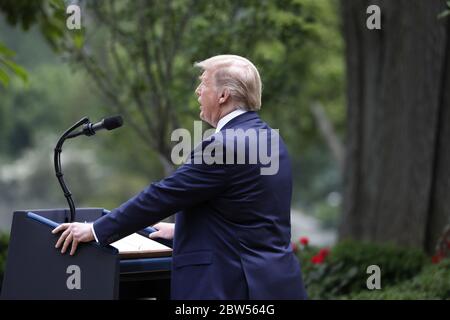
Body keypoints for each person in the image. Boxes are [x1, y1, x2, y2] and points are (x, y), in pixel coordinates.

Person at [52, 54, 307, 300]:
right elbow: (251, 214)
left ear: (223, 95)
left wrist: (95, 230)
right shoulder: (271, 139)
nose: (198, 90)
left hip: (231, 286)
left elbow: (163, 195)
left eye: (204, 82)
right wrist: (183, 229)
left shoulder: (225, 145)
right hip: (274, 283)